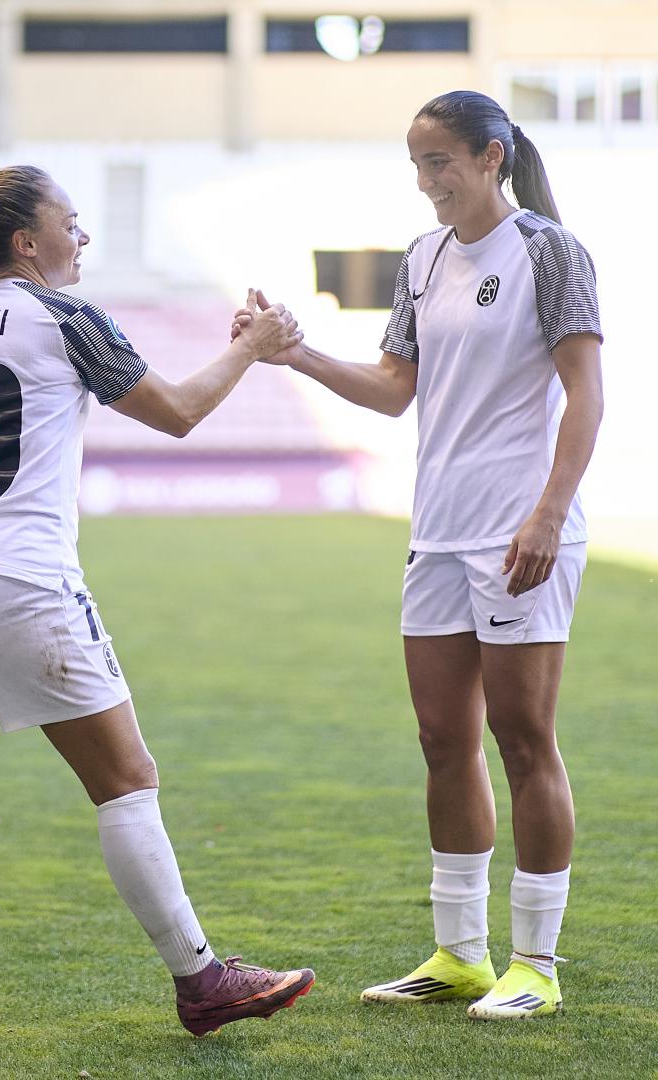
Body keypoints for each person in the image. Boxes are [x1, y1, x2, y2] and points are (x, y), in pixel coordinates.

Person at [0, 165, 314, 1036]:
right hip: (21, 580)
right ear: (28, 243)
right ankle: (203, 982)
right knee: (127, 781)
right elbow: (175, 413)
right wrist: (249, 347)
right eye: (72, 224)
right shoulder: (63, 314)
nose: (82, 238)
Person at [235, 90, 603, 1021]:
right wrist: (296, 352)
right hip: (437, 532)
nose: (428, 181)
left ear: (491, 157)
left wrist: (549, 514)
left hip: (520, 531)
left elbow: (587, 396)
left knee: (523, 742)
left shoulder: (551, 251)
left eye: (441, 161)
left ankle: (537, 964)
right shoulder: (423, 259)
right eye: (416, 164)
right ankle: (460, 954)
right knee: (444, 741)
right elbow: (396, 388)